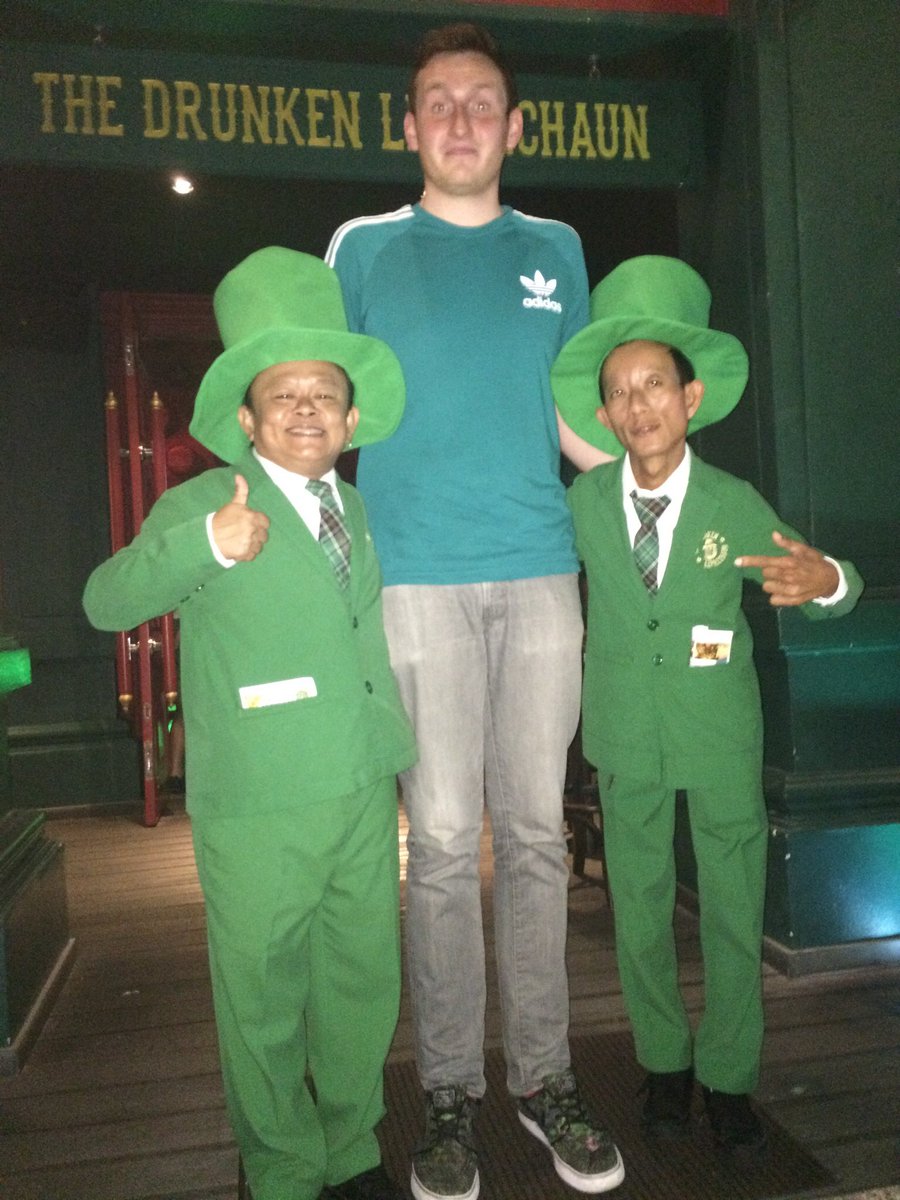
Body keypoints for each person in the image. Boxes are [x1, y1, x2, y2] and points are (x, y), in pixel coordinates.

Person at [326, 21, 623, 1200]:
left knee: (540, 838)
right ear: (409, 127)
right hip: (414, 583)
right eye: (437, 101)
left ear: (514, 125)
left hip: (543, 570)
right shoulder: (361, 245)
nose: (459, 119)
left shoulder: (558, 244)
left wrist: (696, 507)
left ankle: (543, 1077)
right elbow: (317, 404)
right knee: (443, 846)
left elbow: (577, 423)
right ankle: (448, 1090)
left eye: (481, 101)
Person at [83, 247, 416, 1200]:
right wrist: (204, 547)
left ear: (351, 419)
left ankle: (350, 1151)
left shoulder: (354, 503)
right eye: (284, 394)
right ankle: (278, 1168)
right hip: (260, 799)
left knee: (359, 985)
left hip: (360, 784)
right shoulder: (202, 502)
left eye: (324, 394)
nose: (306, 408)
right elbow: (106, 601)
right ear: (247, 418)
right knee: (263, 994)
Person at [552, 254, 864, 1153]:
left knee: (734, 907)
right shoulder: (580, 503)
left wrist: (829, 575)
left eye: (656, 383)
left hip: (720, 736)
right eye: (620, 390)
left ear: (690, 400)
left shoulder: (733, 501)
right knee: (639, 909)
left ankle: (729, 1075)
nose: (638, 403)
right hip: (623, 733)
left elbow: (832, 585)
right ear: (604, 414)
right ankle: (663, 1066)